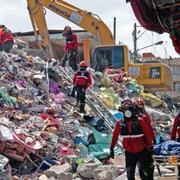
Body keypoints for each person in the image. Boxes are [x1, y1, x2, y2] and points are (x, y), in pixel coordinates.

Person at [110, 99, 155, 180]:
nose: (127, 112)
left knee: (147, 171)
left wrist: (151, 146)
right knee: (130, 174)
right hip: (129, 151)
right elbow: (115, 135)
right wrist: (111, 148)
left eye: (129, 109)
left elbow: (147, 133)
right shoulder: (120, 123)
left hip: (142, 149)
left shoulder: (140, 120)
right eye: (125, 109)